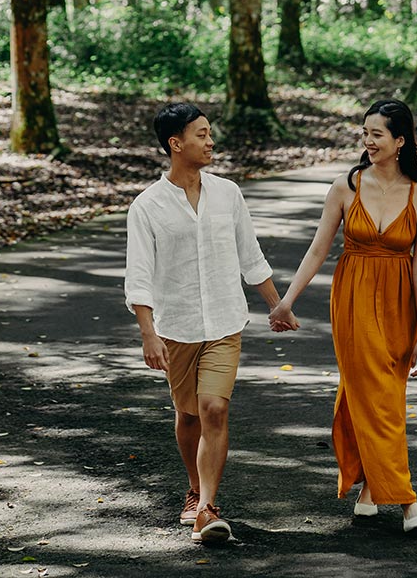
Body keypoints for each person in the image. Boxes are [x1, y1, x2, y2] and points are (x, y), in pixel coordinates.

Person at [123, 102, 295, 545]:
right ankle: (194, 488)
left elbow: (249, 255)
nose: (210, 140)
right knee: (188, 415)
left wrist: (277, 305)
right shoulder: (147, 206)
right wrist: (148, 333)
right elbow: (139, 274)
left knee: (215, 408)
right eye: (201, 134)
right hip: (175, 326)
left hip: (223, 321)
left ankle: (207, 508)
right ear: (175, 144)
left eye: (210, 132)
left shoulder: (228, 193)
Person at [270, 98, 417, 536]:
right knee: (376, 393)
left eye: (377, 134)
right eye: (364, 133)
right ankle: (405, 498)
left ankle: (367, 488)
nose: (367, 141)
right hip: (354, 297)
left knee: (383, 393)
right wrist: (287, 300)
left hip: (401, 304)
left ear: (400, 141)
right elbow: (318, 249)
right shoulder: (346, 187)